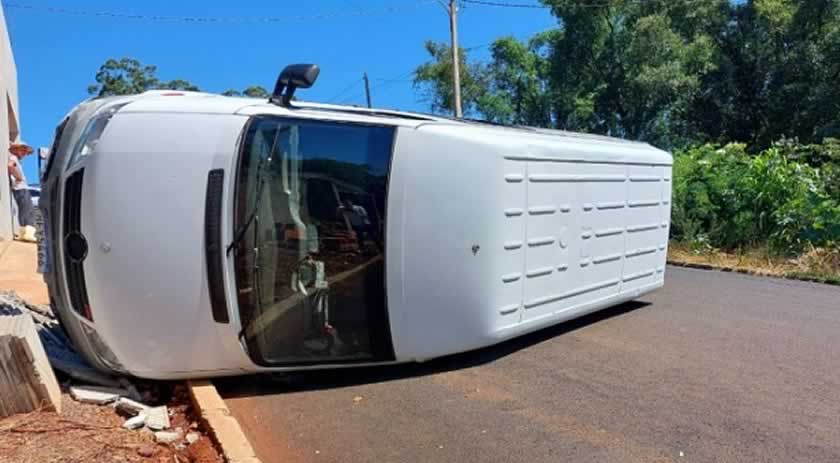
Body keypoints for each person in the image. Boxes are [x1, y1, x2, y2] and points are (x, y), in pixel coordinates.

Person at [7, 142, 37, 242]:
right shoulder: (14, 158)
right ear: (16, 149)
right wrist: (19, 177)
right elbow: (10, 166)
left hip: (19, 188)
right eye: (23, 150)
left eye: (26, 151)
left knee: (24, 210)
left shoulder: (15, 159)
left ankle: (24, 233)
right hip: (21, 188)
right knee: (28, 210)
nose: (25, 153)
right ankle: (28, 234)